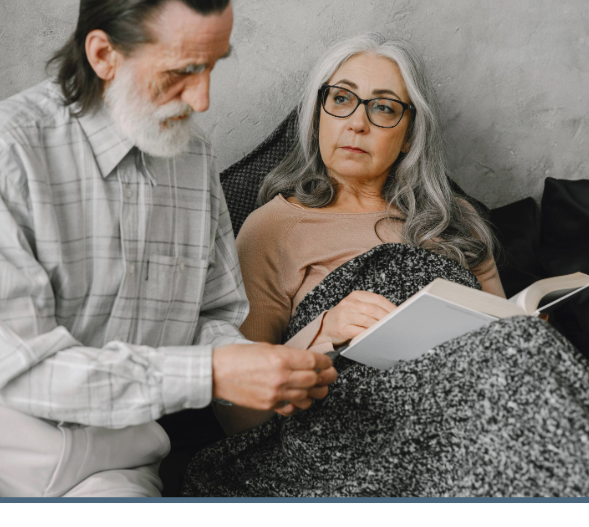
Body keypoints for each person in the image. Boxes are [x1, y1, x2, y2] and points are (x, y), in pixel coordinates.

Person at [0, 0, 337, 498]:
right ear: (104, 54)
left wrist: (267, 362)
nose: (203, 99)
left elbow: (214, 315)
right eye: (181, 70)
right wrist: (211, 373)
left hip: (115, 462)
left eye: (213, 66)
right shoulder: (0, 146)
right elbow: (22, 369)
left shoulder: (194, 155)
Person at [183, 33, 589, 496]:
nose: (357, 123)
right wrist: (326, 330)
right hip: (347, 434)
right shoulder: (272, 227)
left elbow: (503, 340)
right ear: (318, 115)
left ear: (410, 132)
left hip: (465, 411)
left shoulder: (459, 224)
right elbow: (239, 414)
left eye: (382, 108)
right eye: (341, 99)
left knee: (525, 345)